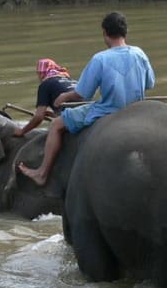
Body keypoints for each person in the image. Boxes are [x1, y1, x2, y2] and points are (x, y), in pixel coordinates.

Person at [18, 11, 155, 186]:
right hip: (136, 109)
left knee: (56, 124)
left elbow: (83, 94)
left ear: (105, 33)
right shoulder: (139, 53)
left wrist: (64, 96)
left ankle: (42, 173)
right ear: (125, 32)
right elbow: (150, 83)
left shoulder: (100, 59)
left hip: (108, 110)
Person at [14, 58, 76, 137]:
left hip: (73, 117)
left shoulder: (45, 84)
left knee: (53, 129)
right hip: (85, 111)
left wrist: (22, 131)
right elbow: (76, 105)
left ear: (41, 73)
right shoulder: (72, 81)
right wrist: (53, 115)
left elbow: (39, 117)